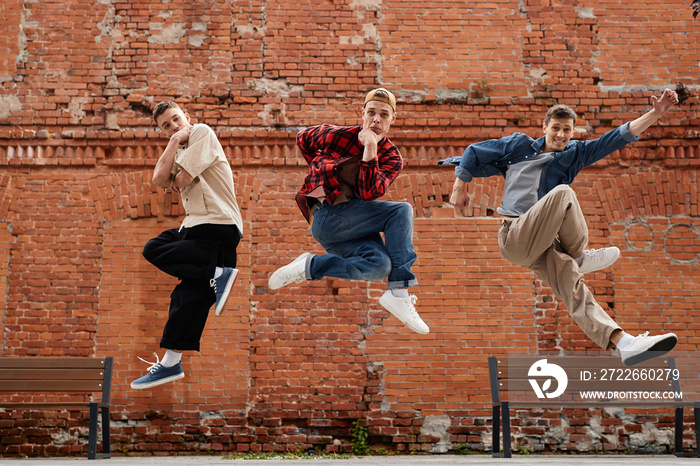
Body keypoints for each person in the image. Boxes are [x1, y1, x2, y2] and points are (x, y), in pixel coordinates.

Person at [441, 88, 680, 366]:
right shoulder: (518, 146)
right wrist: (460, 187)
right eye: (555, 128)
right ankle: (578, 256)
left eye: (567, 130)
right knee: (563, 192)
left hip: (541, 242)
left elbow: (615, 138)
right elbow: (473, 151)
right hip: (514, 234)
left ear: (573, 131)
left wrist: (656, 113)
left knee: (573, 287)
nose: (561, 135)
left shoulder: (574, 154)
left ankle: (624, 342)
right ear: (544, 128)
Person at [268, 88, 429, 334]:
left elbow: (368, 192)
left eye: (384, 115)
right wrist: (322, 174)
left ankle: (310, 266)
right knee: (401, 211)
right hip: (326, 216)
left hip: (353, 225)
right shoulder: (335, 134)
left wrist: (370, 149)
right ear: (362, 113)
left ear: (392, 119)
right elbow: (303, 138)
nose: (376, 119)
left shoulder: (392, 158)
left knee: (379, 266)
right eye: (372, 112)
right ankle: (400, 290)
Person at [131, 101, 243, 389]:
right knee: (187, 296)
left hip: (217, 227)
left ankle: (219, 272)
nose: (175, 127)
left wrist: (174, 174)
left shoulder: (203, 133)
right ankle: (171, 363)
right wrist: (172, 143)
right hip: (195, 232)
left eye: (176, 120)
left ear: (187, 117)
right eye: (166, 125)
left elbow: (180, 179)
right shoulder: (178, 146)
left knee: (161, 255)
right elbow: (159, 179)